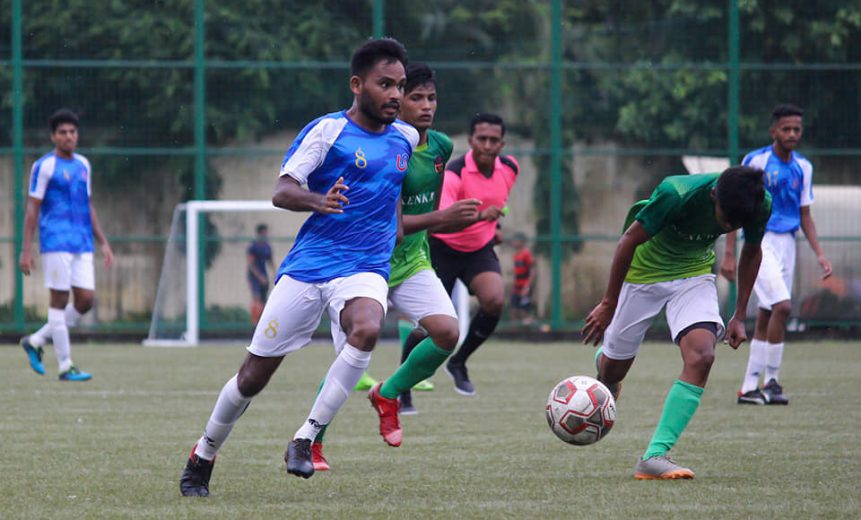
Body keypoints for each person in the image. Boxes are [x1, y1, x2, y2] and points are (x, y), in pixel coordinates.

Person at [179, 38, 418, 495]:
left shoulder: (405, 138)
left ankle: (306, 438)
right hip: (309, 267)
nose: (394, 94)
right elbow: (283, 190)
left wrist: (400, 223)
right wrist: (318, 201)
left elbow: (399, 188)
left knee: (367, 327)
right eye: (384, 84)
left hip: (365, 266)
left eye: (400, 86)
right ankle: (203, 454)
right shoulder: (328, 131)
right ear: (356, 84)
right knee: (252, 378)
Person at [310, 62, 482, 471]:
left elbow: (411, 231)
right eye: (415, 98)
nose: (425, 106)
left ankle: (389, 394)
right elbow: (393, 225)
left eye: (431, 98)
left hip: (412, 261)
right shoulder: (384, 151)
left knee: (447, 332)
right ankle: (310, 441)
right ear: (395, 102)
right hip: (366, 261)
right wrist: (444, 219)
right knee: (347, 364)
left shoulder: (440, 146)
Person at [582, 166, 771, 480]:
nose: (728, 226)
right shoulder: (677, 193)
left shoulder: (758, 202)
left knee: (703, 355)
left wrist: (739, 315)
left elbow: (752, 251)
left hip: (693, 274)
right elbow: (627, 242)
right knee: (611, 372)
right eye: (725, 219)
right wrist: (607, 305)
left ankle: (654, 455)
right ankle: (605, 363)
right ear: (713, 196)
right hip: (643, 271)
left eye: (736, 223)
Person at [722, 104, 832, 406]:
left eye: (797, 129)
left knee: (770, 312)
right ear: (774, 131)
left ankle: (749, 387)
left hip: (788, 244)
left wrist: (820, 254)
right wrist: (730, 253)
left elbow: (805, 215)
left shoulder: (804, 167)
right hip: (760, 242)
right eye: (786, 129)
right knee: (783, 306)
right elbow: (734, 204)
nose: (792, 134)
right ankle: (770, 381)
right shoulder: (755, 161)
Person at [406, 112, 518, 396]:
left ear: (502, 144)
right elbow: (440, 219)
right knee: (428, 324)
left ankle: (458, 362)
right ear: (470, 141)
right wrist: (483, 217)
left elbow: (496, 204)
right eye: (482, 139)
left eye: (494, 140)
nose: (488, 145)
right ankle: (402, 388)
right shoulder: (454, 173)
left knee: (494, 301)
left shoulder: (510, 168)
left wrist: (494, 226)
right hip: (442, 248)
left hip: (479, 248)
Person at [18, 109, 114, 382]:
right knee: (59, 300)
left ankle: (36, 340)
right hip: (56, 240)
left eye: (72, 132)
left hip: (82, 242)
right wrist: (26, 249)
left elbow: (88, 206)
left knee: (85, 301)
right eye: (63, 132)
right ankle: (65, 364)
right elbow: (32, 209)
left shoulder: (83, 164)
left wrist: (103, 242)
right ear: (53, 136)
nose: (69, 136)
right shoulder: (44, 166)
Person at [246, 223, 275, 325]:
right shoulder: (253, 247)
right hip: (254, 277)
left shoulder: (267, 246)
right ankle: (254, 323)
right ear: (259, 233)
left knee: (264, 300)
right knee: (256, 298)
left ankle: (262, 323)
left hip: (264, 276)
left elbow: (270, 261)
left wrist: (274, 273)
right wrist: (259, 276)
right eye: (264, 233)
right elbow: (251, 264)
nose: (266, 235)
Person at [509, 232, 535, 325]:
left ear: (521, 242)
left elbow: (532, 271)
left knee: (524, 311)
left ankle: (530, 331)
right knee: (513, 309)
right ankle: (514, 334)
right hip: (517, 287)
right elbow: (516, 273)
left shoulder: (526, 254)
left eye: (516, 240)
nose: (513, 242)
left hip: (524, 286)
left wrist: (527, 286)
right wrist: (514, 286)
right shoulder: (516, 255)